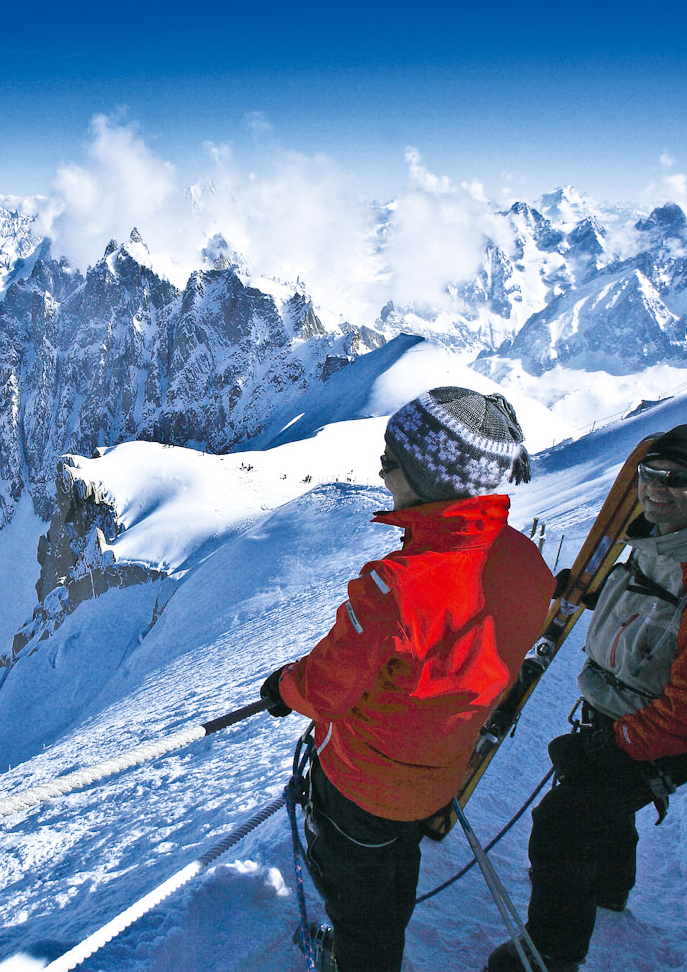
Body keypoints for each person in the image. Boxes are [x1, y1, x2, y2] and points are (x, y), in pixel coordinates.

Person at [259, 387, 555, 972]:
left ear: (430, 478)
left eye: (392, 459)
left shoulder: (394, 587)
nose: (380, 468)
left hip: (363, 781)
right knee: (394, 866)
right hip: (439, 774)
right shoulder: (526, 561)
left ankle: (357, 958)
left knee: (357, 896)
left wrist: (281, 688)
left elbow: (325, 688)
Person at [484, 423, 687, 972]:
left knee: (564, 822)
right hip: (627, 710)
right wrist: (592, 593)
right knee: (598, 800)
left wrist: (614, 745)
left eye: (677, 479)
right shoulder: (655, 546)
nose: (655, 487)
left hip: (669, 734)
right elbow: (655, 608)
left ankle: (549, 953)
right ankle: (608, 888)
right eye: (650, 474)